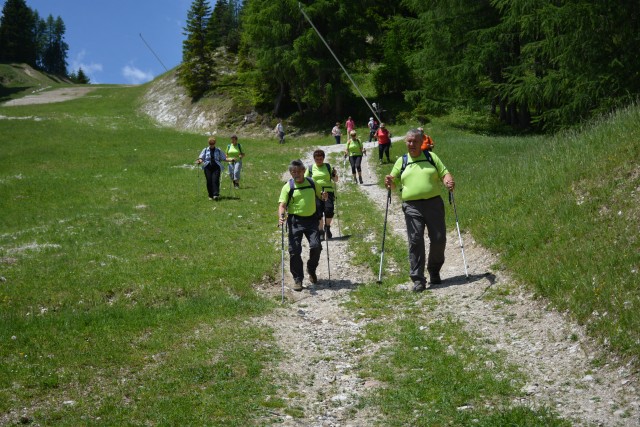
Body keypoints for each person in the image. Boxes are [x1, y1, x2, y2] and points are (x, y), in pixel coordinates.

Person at [384, 128, 455, 292]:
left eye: (415, 141)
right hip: (412, 206)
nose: (412, 144)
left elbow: (445, 174)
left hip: (434, 204)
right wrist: (389, 182)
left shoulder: (431, 157)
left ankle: (434, 270)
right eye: (409, 141)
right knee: (415, 240)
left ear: (421, 142)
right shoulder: (401, 161)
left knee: (439, 239)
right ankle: (418, 279)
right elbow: (393, 184)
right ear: (405, 142)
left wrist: (448, 182)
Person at [278, 160, 329, 291]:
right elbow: (282, 205)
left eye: (298, 171)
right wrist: (281, 216)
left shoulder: (312, 183)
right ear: (290, 173)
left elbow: (322, 196)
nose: (296, 174)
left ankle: (311, 269)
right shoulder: (288, 186)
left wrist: (324, 196)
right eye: (293, 172)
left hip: (312, 220)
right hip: (295, 221)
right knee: (294, 251)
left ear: (303, 171)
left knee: (316, 246)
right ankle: (298, 279)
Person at [305, 149, 339, 239]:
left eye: (320, 159)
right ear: (314, 159)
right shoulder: (310, 168)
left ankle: (327, 227)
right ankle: (320, 231)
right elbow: (305, 180)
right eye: (317, 159)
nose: (319, 161)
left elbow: (335, 180)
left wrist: (335, 174)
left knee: (329, 209)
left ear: (323, 158)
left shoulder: (328, 166)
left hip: (328, 191)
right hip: (316, 192)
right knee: (318, 212)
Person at [196, 136, 233, 200]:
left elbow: (224, 158)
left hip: (216, 167)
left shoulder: (218, 150)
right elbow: (201, 158)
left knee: (215, 180)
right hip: (207, 167)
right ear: (209, 143)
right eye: (210, 143)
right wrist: (199, 161)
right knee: (209, 181)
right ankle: (210, 195)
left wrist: (231, 160)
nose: (212, 145)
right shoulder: (205, 150)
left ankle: (215, 194)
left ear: (215, 143)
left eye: (213, 143)